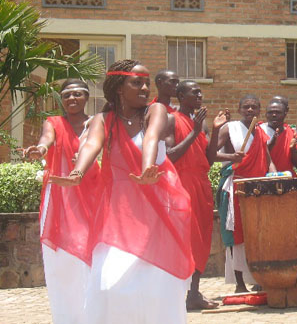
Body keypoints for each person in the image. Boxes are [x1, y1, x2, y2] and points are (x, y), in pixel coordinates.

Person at [50, 60, 194, 324]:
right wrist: (77, 173)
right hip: (118, 213)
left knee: (157, 285)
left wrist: (147, 168)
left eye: (146, 82)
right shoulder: (104, 120)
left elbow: (151, 138)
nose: (144, 87)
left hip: (156, 207)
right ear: (118, 88)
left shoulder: (156, 111)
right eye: (136, 82)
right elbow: (91, 147)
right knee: (108, 286)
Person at [22, 79, 100, 324]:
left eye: (77, 94)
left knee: (94, 256)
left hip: (94, 196)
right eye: (66, 96)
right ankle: (69, 317)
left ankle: (96, 315)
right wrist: (41, 149)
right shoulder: (53, 122)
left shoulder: (97, 122)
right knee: (64, 262)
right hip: (61, 201)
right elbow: (47, 138)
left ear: (86, 97)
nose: (72, 99)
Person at [165, 80, 229, 310]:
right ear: (181, 96)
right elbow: (170, 156)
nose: (200, 95)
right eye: (195, 92)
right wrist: (193, 132)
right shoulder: (171, 119)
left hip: (201, 184)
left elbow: (209, 159)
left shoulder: (199, 124)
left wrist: (215, 129)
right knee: (185, 239)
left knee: (201, 239)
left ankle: (194, 293)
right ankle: (173, 294)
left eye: (201, 91)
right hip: (181, 183)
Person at [215, 94, 276, 293]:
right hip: (235, 186)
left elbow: (267, 160)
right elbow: (209, 153)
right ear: (240, 109)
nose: (250, 110)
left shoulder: (262, 131)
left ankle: (259, 277)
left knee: (257, 234)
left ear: (259, 110)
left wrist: (275, 175)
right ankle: (239, 283)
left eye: (254, 107)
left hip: (256, 188)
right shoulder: (229, 128)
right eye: (246, 107)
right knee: (236, 234)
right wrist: (231, 156)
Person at [260, 98, 297, 175]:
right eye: (270, 112)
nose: (274, 115)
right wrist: (270, 145)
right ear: (266, 114)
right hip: (263, 179)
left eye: (278, 112)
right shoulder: (259, 131)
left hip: (287, 180)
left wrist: (293, 149)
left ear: (285, 113)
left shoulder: (292, 133)